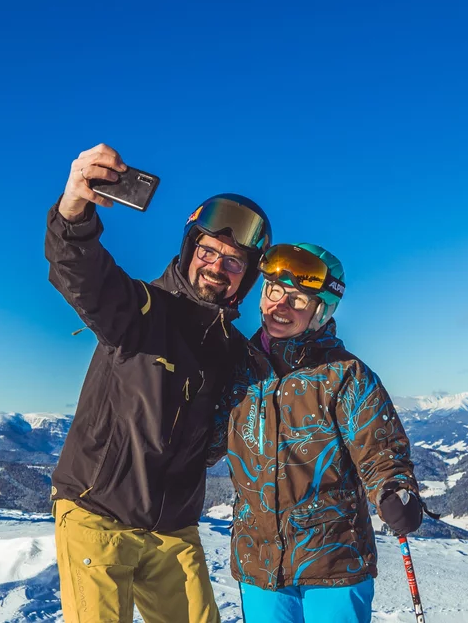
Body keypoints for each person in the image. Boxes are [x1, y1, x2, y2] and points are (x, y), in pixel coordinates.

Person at [44, 143, 272, 623]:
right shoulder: (141, 310)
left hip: (172, 527)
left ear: (246, 278)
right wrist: (74, 208)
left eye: (234, 262)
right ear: (190, 250)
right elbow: (81, 274)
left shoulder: (233, 351)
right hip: (97, 514)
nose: (217, 266)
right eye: (208, 251)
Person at [224, 243, 424, 623]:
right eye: (273, 291)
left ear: (322, 311)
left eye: (297, 299)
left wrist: (394, 490)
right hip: (259, 561)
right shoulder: (237, 368)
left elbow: (381, 453)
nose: (279, 306)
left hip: (334, 561)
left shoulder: (345, 375)